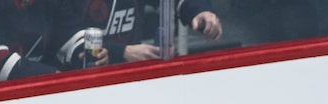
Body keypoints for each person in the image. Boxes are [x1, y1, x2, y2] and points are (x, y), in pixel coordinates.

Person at [54, 0, 221, 68]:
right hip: (74, 91)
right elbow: (64, 37)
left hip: (132, 80)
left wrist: (200, 11)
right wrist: (122, 53)